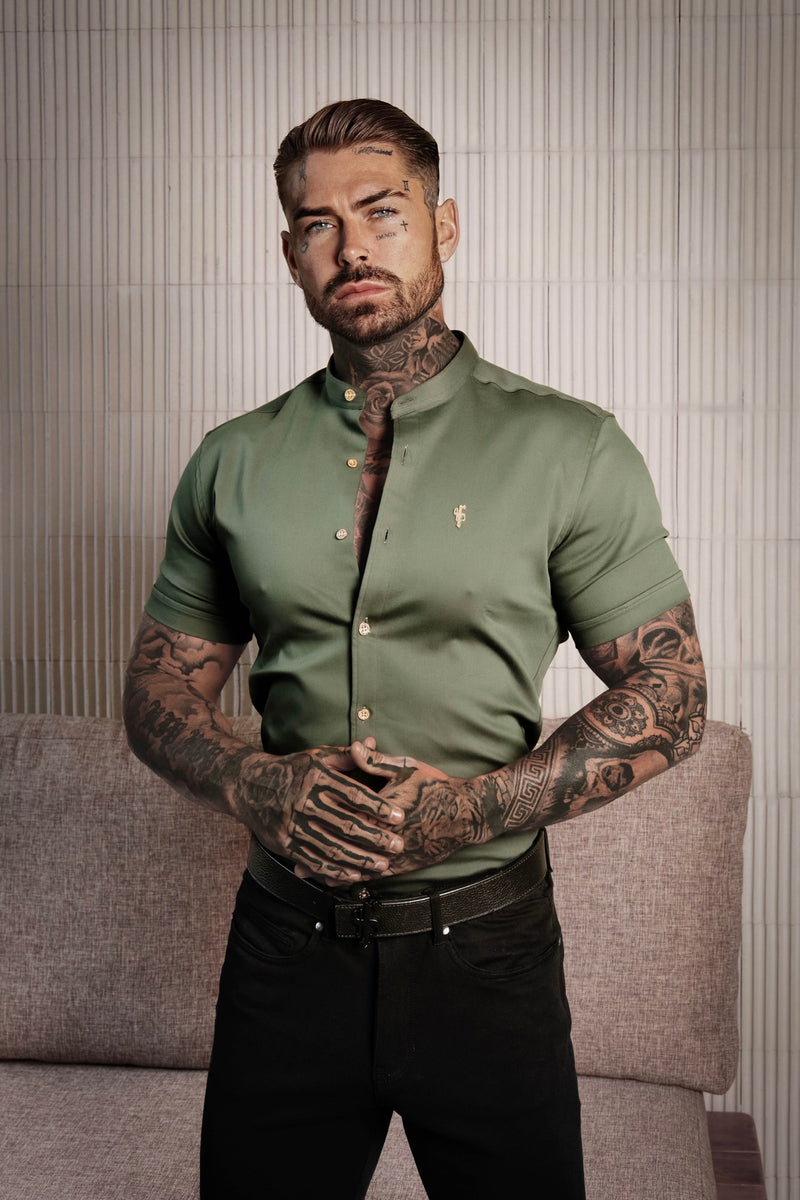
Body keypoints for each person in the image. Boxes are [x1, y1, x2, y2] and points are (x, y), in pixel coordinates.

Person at [123, 99, 707, 1200]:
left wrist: (471, 811)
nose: (351, 247)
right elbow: (157, 686)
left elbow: (671, 691)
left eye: (381, 212)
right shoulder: (229, 462)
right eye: (317, 224)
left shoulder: (571, 448)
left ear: (443, 227)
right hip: (285, 951)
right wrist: (253, 781)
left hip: (487, 952)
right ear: (289, 255)